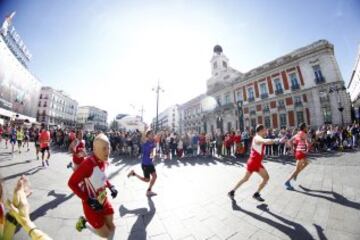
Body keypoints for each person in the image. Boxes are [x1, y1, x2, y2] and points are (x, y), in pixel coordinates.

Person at [68, 133, 118, 239]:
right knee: (107, 234)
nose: (108, 151)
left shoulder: (104, 161)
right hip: (92, 207)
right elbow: (71, 183)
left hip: (104, 200)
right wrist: (88, 200)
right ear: (95, 149)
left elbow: (102, 177)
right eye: (104, 148)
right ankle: (84, 223)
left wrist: (110, 186)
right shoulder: (87, 164)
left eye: (108, 148)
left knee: (112, 228)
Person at [228, 124, 279, 202]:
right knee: (253, 178)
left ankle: (234, 192)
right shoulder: (257, 138)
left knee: (251, 178)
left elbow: (265, 141)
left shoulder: (258, 137)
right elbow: (265, 141)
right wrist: (276, 140)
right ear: (261, 130)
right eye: (264, 130)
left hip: (255, 162)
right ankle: (235, 192)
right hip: (254, 162)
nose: (266, 131)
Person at [127, 130, 157, 197]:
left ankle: (149, 191)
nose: (152, 135)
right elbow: (143, 137)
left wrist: (154, 156)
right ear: (147, 135)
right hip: (145, 163)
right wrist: (144, 130)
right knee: (147, 180)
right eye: (151, 134)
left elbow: (153, 150)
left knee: (154, 176)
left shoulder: (153, 142)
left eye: (153, 134)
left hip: (150, 163)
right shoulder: (144, 141)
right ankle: (134, 173)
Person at [285, 123, 310, 190]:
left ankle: (296, 174)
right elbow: (308, 143)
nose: (307, 128)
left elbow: (289, 141)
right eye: (306, 127)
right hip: (301, 152)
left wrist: (292, 149)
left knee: (306, 163)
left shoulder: (297, 134)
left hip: (298, 152)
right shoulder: (304, 134)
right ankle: (287, 182)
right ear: (304, 128)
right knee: (297, 169)